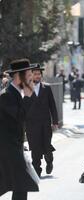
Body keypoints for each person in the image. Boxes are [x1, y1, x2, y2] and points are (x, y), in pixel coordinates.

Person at [0, 59, 39, 200]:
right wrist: (29, 95)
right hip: (6, 149)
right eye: (28, 73)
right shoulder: (6, 95)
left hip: (14, 148)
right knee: (21, 184)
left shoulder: (16, 93)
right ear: (18, 75)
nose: (31, 77)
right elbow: (20, 117)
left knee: (20, 185)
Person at [25, 64, 58, 177]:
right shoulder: (26, 88)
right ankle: (37, 171)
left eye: (39, 74)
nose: (37, 76)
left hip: (45, 124)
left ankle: (49, 161)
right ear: (31, 75)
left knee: (47, 146)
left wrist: (55, 122)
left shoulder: (47, 88)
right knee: (35, 148)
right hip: (32, 125)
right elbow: (23, 108)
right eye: (35, 74)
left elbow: (52, 105)